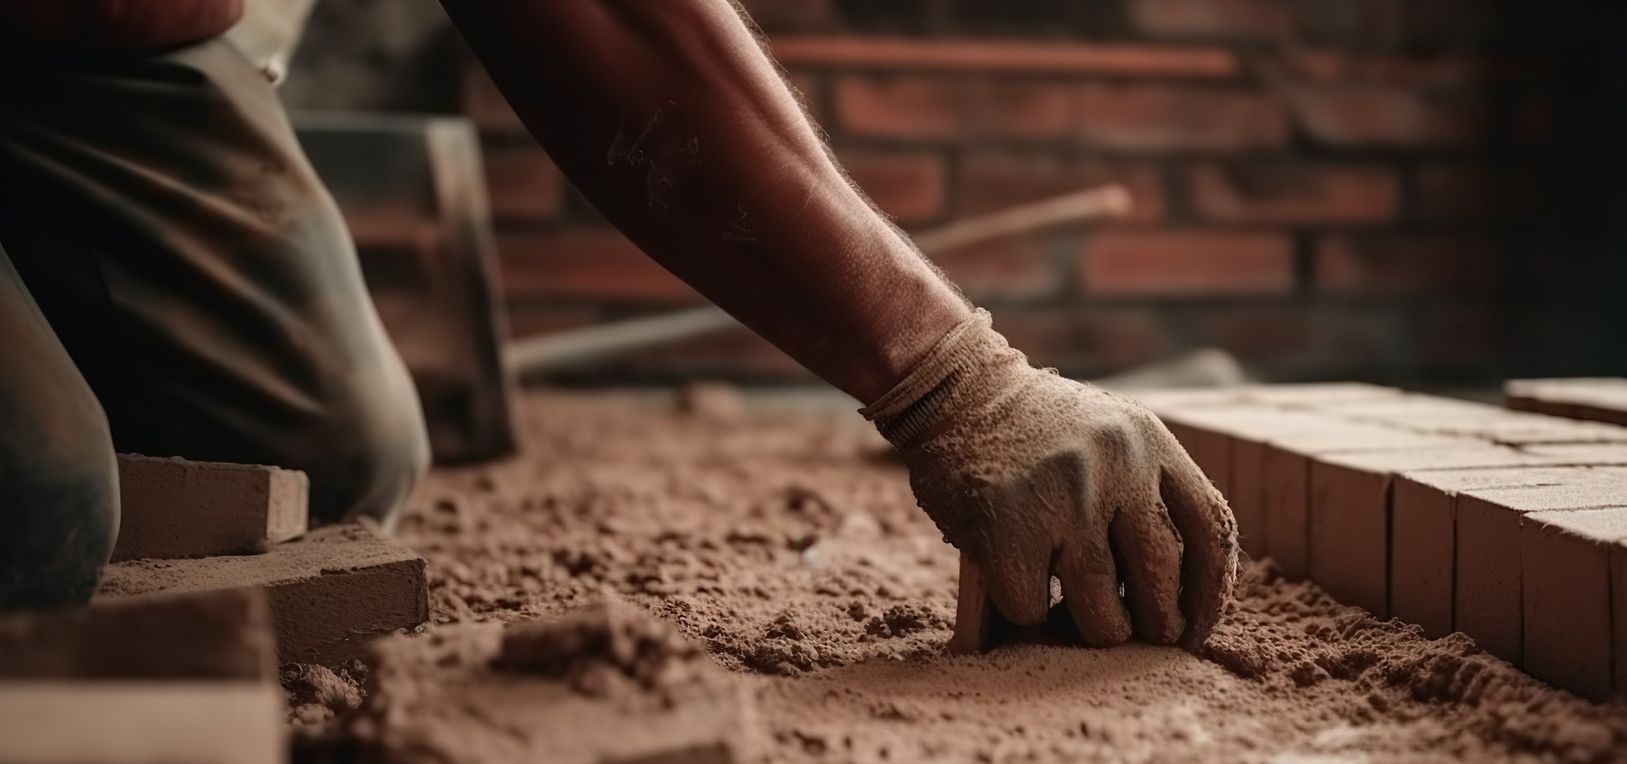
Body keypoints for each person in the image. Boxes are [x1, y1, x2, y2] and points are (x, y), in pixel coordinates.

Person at [0, 0, 1237, 647]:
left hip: (108, 51)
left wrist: (961, 382)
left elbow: (613, 22)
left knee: (320, 464)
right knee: (39, 505)